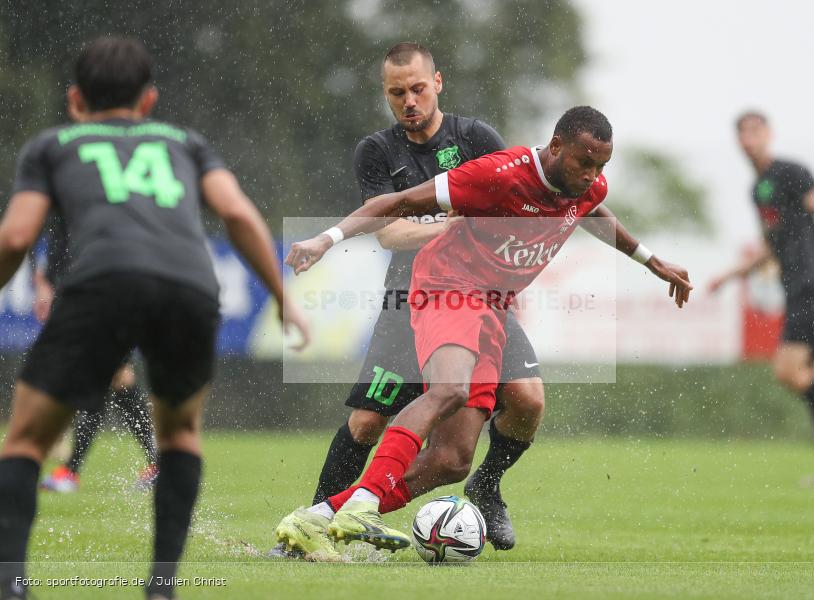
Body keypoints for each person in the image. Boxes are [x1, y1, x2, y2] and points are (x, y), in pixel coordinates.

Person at [278, 105, 692, 557]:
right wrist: (327, 239)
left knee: (452, 460)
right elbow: (395, 203)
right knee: (448, 389)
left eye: (601, 166)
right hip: (448, 288)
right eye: (584, 162)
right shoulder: (496, 174)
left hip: (492, 308)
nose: (592, 174)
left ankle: (316, 518)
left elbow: (595, 212)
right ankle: (363, 503)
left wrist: (653, 262)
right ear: (556, 147)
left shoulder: (586, 186)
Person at [0, 37, 308, 600]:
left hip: (99, 285)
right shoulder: (184, 142)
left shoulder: (52, 146)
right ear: (148, 102)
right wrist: (283, 297)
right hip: (189, 289)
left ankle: (10, 583)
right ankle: (161, 587)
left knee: (23, 440)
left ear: (75, 100)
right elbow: (238, 212)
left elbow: (17, 235)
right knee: (181, 434)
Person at [271, 42, 542, 559]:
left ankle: (486, 485)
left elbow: (510, 210)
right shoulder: (377, 151)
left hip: (479, 295)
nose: (409, 101)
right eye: (398, 93)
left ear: (437, 83)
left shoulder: (476, 139)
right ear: (387, 95)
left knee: (526, 400)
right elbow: (390, 235)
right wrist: (457, 222)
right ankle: (312, 527)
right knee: (366, 423)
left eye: (418, 88)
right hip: (409, 299)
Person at [709, 111, 814, 484]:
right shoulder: (758, 189)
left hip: (813, 283)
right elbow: (769, 248)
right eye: (742, 133)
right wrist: (728, 276)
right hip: (800, 287)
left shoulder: (789, 171)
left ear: (768, 134)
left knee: (788, 371)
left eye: (755, 131)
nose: (748, 139)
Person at [34, 217, 159, 493]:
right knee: (118, 378)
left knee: (99, 376)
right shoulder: (72, 201)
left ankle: (71, 470)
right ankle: (159, 463)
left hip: (104, 291)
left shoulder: (82, 194)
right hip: (99, 291)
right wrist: (45, 280)